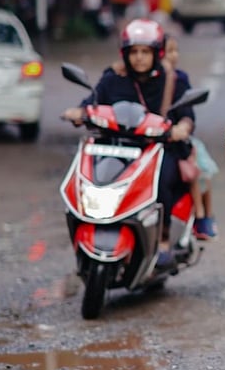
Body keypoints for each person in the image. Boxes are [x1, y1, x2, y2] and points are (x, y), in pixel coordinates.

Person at [61, 19, 195, 267]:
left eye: (145, 52)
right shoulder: (113, 78)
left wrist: (182, 128)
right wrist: (78, 113)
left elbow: (187, 115)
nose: (139, 58)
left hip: (157, 148)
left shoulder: (173, 80)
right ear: (125, 53)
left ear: (157, 53)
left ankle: (163, 236)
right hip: (116, 146)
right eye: (134, 52)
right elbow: (92, 101)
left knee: (162, 177)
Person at [162, 35, 219, 240]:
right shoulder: (142, 79)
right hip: (151, 139)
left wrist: (182, 128)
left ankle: (203, 217)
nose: (172, 56)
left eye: (175, 51)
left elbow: (187, 114)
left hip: (179, 139)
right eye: (168, 51)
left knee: (198, 172)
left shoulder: (179, 79)